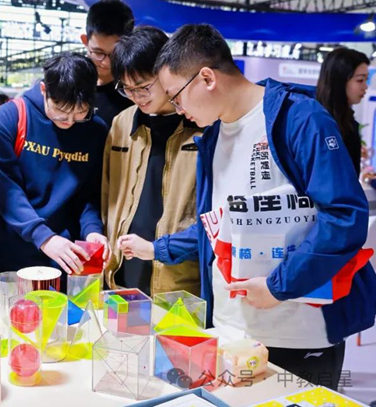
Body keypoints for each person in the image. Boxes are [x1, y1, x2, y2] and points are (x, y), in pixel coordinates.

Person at [121, 24, 376, 389]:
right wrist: (157, 249)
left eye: (176, 97)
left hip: (298, 335)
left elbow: (344, 216)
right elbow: (217, 225)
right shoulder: (212, 137)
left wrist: (278, 286)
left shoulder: (299, 119)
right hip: (229, 330)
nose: (178, 109)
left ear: (206, 78)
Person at [0, 53, 110, 305]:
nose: (69, 122)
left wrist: (92, 231)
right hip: (8, 246)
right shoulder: (10, 118)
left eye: (80, 113)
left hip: (62, 252)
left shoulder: (95, 130)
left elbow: (88, 194)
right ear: (44, 90)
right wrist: (44, 237)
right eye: (61, 113)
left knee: (55, 325)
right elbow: (8, 193)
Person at [103, 26, 202, 297]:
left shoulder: (202, 124)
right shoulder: (122, 123)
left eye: (144, 87)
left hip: (180, 280)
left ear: (167, 72)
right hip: (122, 272)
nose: (137, 97)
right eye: (127, 89)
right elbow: (107, 192)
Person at [80, 0, 136, 128]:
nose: (106, 62)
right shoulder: (72, 83)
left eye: (115, 54)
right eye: (98, 52)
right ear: (85, 41)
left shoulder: (134, 93)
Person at [316, 47, 370, 175]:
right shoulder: (319, 123)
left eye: (366, 80)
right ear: (340, 80)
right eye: (360, 80)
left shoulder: (348, 122)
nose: (365, 87)